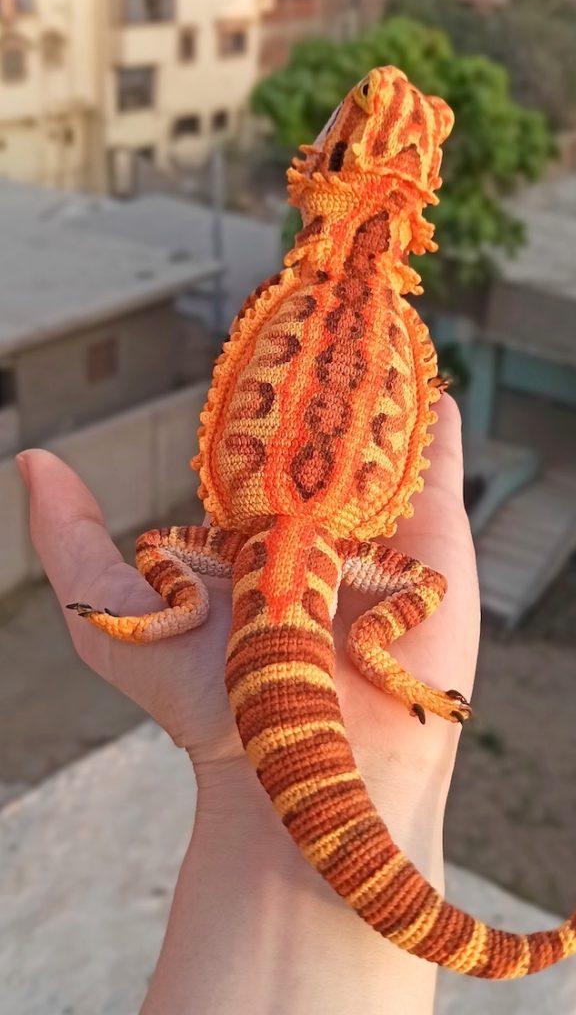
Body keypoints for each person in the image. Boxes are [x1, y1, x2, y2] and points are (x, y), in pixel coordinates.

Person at [17, 393, 480, 1015]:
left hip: (279, 544)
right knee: (425, 581)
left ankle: (202, 612)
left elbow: (157, 546)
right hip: (299, 545)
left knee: (159, 544)